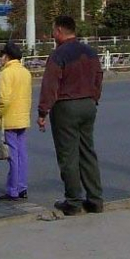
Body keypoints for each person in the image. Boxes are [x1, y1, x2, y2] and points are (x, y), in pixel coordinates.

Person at [38, 15, 105, 216]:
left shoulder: (58, 55)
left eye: (53, 31)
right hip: (88, 105)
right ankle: (95, 199)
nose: (52, 35)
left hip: (66, 106)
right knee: (87, 152)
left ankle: (73, 201)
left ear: (59, 30)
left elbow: (50, 85)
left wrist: (43, 111)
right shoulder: (90, 52)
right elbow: (99, 77)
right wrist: (94, 98)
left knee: (68, 155)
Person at [0, 41, 33, 202]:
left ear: (6, 56)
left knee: (12, 155)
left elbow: (4, 99)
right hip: (23, 117)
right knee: (22, 154)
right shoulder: (25, 72)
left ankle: (13, 189)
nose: (0, 59)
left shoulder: (6, 73)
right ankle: (22, 186)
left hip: (10, 118)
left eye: (1, 56)